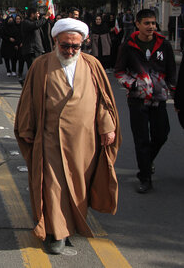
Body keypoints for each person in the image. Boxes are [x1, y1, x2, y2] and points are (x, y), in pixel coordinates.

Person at [14, 18, 121, 255]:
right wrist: (27, 129)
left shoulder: (92, 65)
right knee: (52, 185)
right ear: (55, 41)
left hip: (84, 141)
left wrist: (107, 127)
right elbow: (29, 102)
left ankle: (70, 225)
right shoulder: (40, 65)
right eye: (65, 46)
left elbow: (103, 101)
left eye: (75, 46)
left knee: (78, 185)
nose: (70, 50)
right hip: (50, 137)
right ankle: (55, 232)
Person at [114, 9, 176, 193]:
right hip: (137, 100)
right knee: (141, 139)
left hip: (159, 99)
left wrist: (175, 94)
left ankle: (147, 161)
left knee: (161, 134)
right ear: (138, 24)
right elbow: (119, 71)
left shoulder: (163, 45)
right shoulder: (128, 46)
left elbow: (172, 72)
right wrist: (133, 85)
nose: (151, 27)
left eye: (153, 23)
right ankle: (145, 177)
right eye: (147, 23)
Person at [19, 8, 51, 85]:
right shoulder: (26, 23)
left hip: (38, 50)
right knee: (34, 69)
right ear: (32, 14)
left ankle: (29, 83)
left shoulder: (36, 22)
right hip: (31, 50)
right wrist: (45, 17)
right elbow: (36, 25)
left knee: (38, 69)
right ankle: (26, 82)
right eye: (37, 13)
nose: (38, 15)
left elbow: (41, 26)